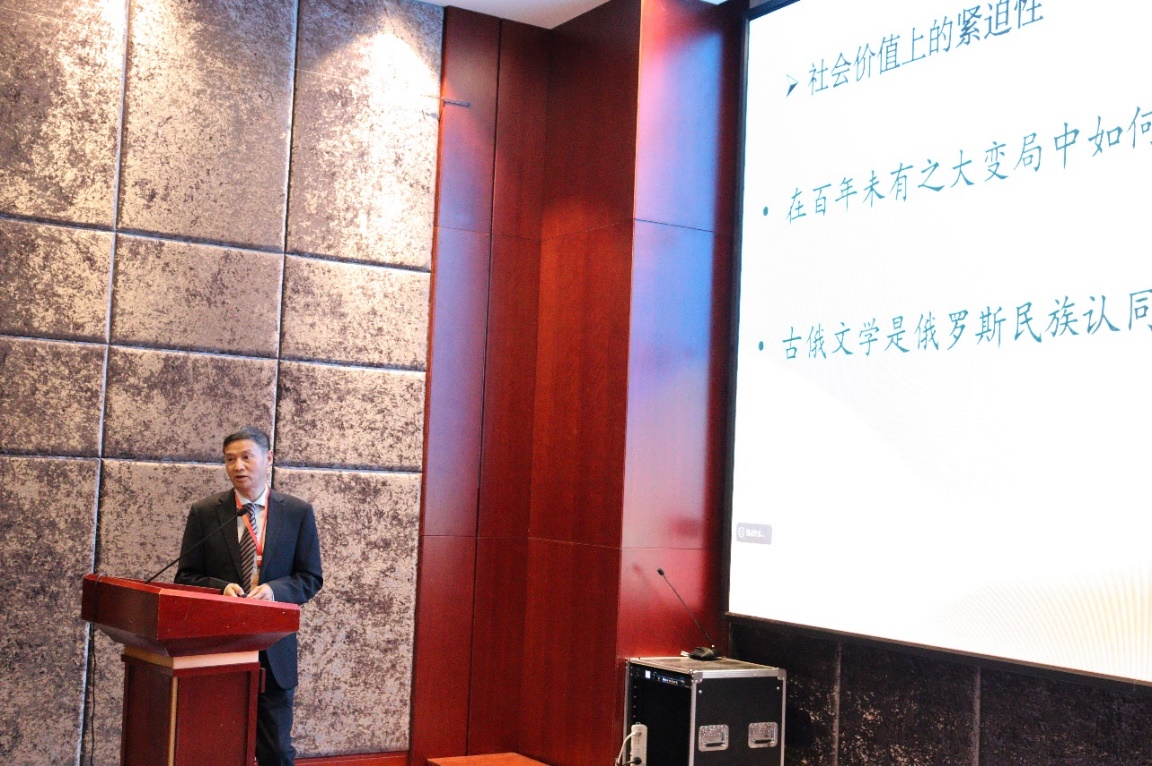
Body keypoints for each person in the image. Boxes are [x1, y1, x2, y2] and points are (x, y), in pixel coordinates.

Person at [175, 426, 323, 766]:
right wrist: (220, 589)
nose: (237, 466)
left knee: (277, 752)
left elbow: (310, 578)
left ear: (268, 458)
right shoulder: (205, 512)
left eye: (246, 457)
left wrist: (274, 590)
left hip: (273, 649)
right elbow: (186, 577)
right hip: (218, 649)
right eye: (230, 459)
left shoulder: (297, 512)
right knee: (217, 748)